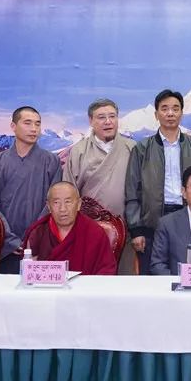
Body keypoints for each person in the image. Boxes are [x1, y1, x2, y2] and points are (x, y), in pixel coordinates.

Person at [124, 90, 191, 274]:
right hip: (152, 222)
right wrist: (136, 230)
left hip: (187, 218)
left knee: (186, 273)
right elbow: (133, 190)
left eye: (175, 109)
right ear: (156, 114)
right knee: (153, 275)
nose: (170, 113)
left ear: (181, 113)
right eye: (165, 109)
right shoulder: (142, 148)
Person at [0, 106, 62, 274]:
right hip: (5, 246)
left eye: (37, 124)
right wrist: (9, 239)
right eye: (28, 123)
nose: (34, 129)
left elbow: (54, 202)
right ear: (13, 126)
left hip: (40, 243)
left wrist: (33, 237)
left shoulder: (51, 161)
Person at [62, 98, 136, 274]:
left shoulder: (131, 148)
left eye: (112, 116)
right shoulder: (79, 151)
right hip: (87, 230)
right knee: (90, 279)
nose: (108, 122)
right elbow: (68, 192)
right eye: (101, 117)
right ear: (91, 121)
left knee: (124, 279)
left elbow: (140, 190)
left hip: (125, 229)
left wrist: (138, 227)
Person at [23, 182, 117, 275]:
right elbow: (29, 269)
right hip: (48, 284)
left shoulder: (94, 232)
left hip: (86, 285)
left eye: (68, 202)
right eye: (56, 203)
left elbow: (107, 269)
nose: (63, 209)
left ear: (79, 204)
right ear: (49, 207)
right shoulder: (39, 232)